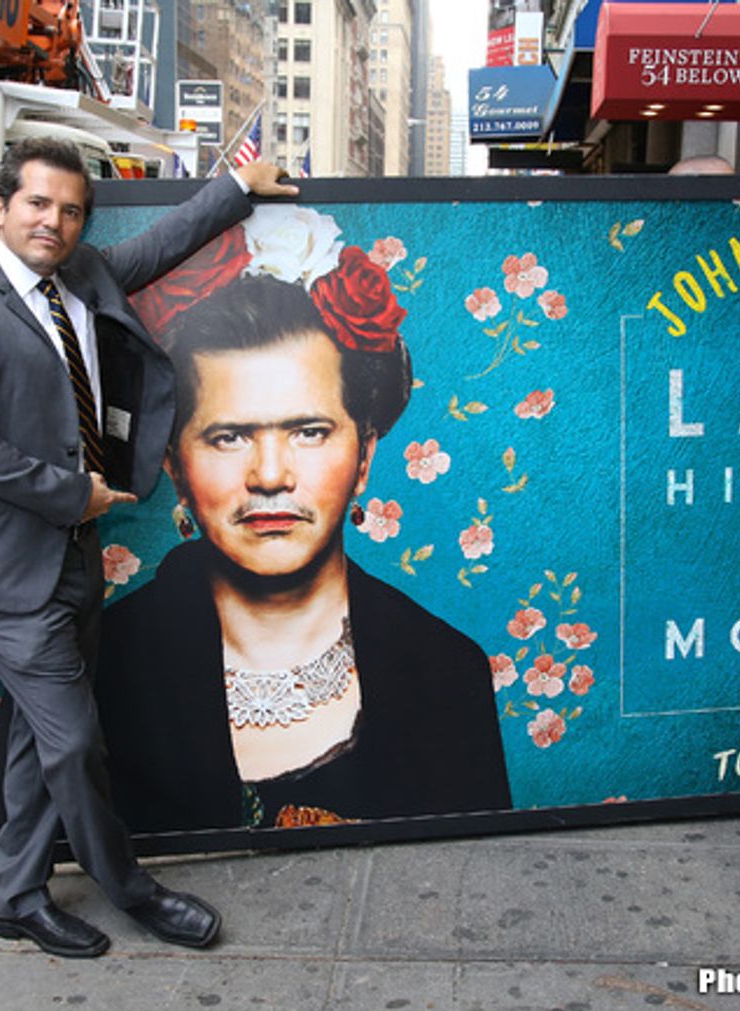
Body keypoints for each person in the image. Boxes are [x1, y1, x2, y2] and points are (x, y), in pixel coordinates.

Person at [0, 136, 297, 959]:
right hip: (7, 576)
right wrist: (70, 493)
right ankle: (135, 891)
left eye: (71, 209)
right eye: (39, 203)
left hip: (74, 560)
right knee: (75, 739)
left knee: (39, 738)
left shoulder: (82, 275)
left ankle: (14, 894)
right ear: (1, 206)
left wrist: (239, 184)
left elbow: (162, 243)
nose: (54, 221)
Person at [94, 207, 512, 833]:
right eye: (229, 436)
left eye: (309, 432)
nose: (270, 475)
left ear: (364, 455)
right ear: (175, 464)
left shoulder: (445, 670)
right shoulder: (94, 666)